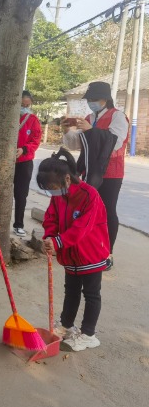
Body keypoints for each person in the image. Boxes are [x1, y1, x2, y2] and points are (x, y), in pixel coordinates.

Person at [37, 148, 109, 352]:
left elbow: (82, 228)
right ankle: (67, 326)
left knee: (91, 294)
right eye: (48, 189)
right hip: (70, 256)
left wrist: (59, 242)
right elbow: (50, 217)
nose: (52, 191)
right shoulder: (58, 195)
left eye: (52, 187)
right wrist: (50, 237)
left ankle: (88, 334)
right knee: (71, 291)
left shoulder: (90, 195)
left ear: (67, 178)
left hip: (91, 254)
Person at [62, 81, 129, 270]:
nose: (91, 102)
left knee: (107, 210)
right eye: (89, 99)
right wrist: (68, 130)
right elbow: (77, 144)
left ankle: (108, 253)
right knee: (89, 210)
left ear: (105, 99)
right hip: (90, 171)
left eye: (94, 99)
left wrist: (91, 131)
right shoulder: (89, 117)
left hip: (111, 173)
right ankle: (91, 248)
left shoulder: (118, 117)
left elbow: (114, 143)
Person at [13, 90, 42, 237]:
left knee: (20, 194)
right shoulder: (8, 117)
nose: (25, 107)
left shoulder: (33, 120)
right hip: (7, 162)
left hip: (24, 162)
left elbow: (35, 141)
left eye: (27, 104)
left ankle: (18, 224)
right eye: (22, 104)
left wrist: (24, 149)